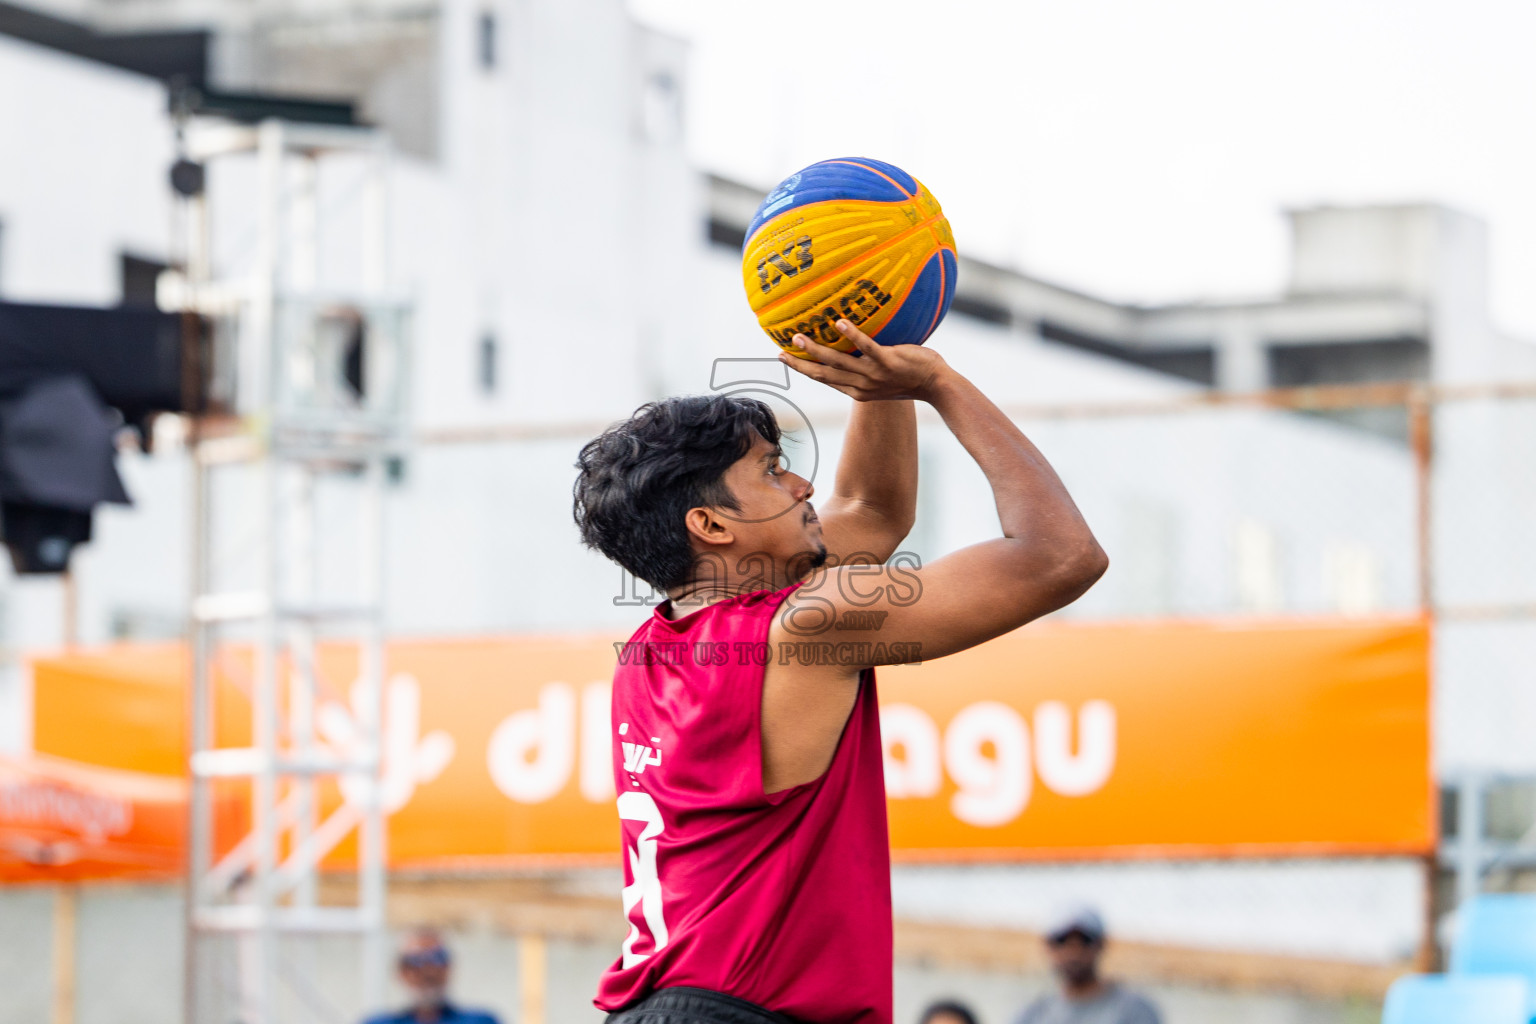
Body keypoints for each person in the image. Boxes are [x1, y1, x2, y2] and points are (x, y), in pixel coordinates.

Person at [575, 320, 1108, 1024]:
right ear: (710, 525)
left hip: (667, 1005)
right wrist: (938, 383)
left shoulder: (651, 649)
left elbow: (872, 511)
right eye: (769, 469)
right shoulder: (802, 626)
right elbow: (1060, 556)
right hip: (739, 1012)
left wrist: (878, 357)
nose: (801, 482)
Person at [1012, 906, 1160, 1024]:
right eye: (1062, 941)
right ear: (1049, 947)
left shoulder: (1133, 1011)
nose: (1073, 953)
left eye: (1084, 941)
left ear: (1101, 945)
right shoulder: (1033, 1014)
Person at [361, 927, 501, 1024]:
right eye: (415, 961)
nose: (428, 970)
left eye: (438, 958)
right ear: (400, 972)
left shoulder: (481, 1021)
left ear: (449, 968)